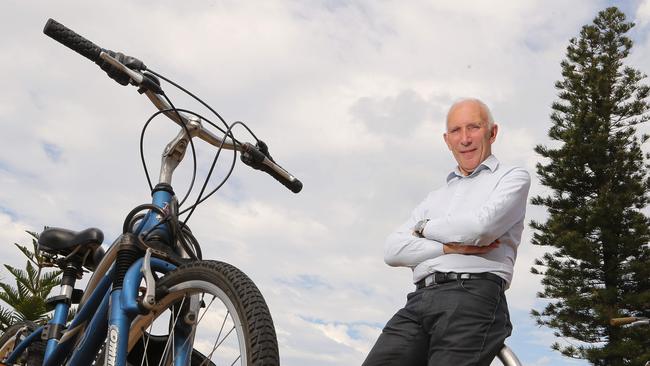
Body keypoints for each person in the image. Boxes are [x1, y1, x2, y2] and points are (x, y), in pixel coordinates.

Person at [362, 98, 531, 366]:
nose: (465, 139)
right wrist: (448, 247)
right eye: (456, 131)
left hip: (473, 294)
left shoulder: (512, 178)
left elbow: (480, 229)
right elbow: (392, 251)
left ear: (492, 132)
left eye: (473, 127)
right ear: (447, 139)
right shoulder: (434, 197)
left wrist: (424, 228)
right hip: (419, 300)